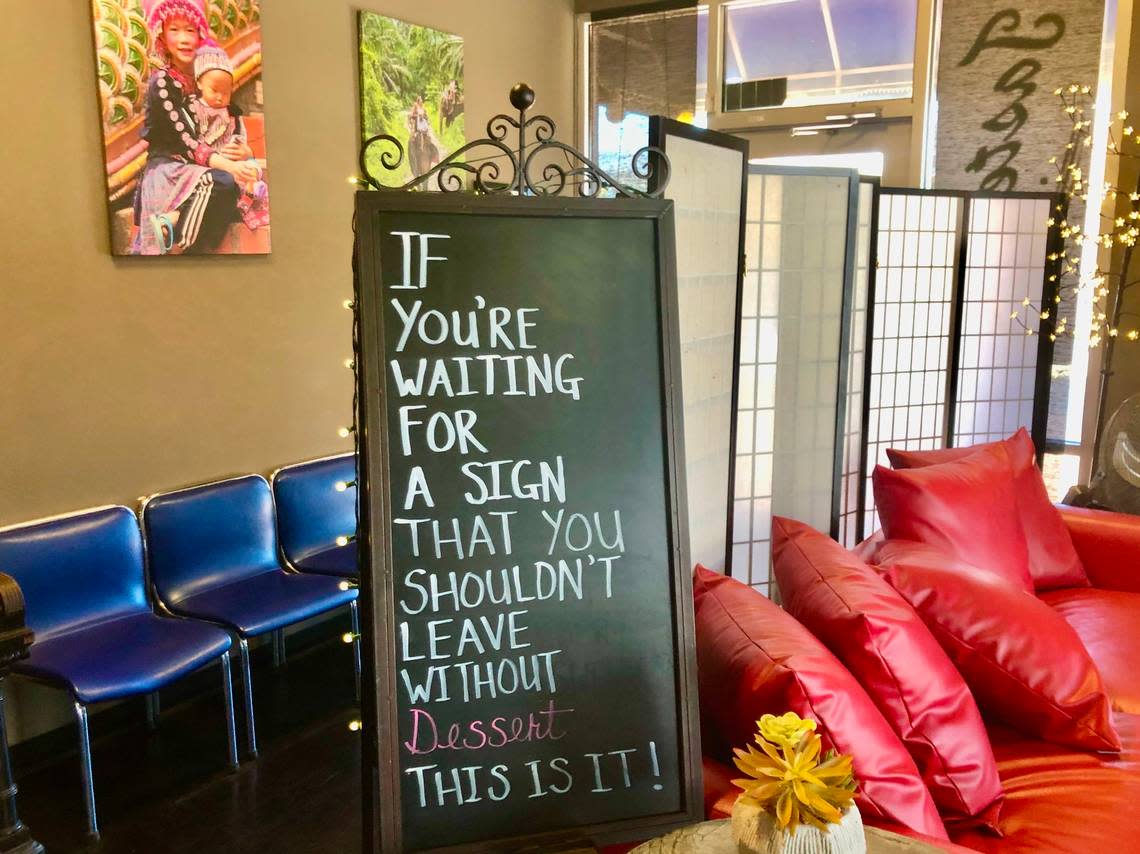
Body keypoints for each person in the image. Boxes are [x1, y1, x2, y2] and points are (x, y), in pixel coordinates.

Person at [132, 0, 256, 254]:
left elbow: (230, 132)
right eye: (174, 30)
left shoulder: (212, 78)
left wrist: (245, 155)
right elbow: (186, 142)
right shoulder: (163, 83)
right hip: (171, 169)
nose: (184, 39)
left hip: (203, 169)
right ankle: (178, 236)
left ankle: (184, 241)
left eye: (190, 30)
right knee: (223, 183)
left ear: (200, 35)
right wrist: (230, 166)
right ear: (163, 37)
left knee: (236, 192)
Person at [186, 44, 268, 230]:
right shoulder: (192, 111)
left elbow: (244, 145)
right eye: (214, 90)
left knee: (253, 170)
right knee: (224, 182)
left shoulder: (233, 115)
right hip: (206, 167)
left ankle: (248, 198)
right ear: (199, 83)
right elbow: (190, 146)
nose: (219, 98)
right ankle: (238, 203)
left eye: (226, 92)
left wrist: (246, 153)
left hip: (234, 167)